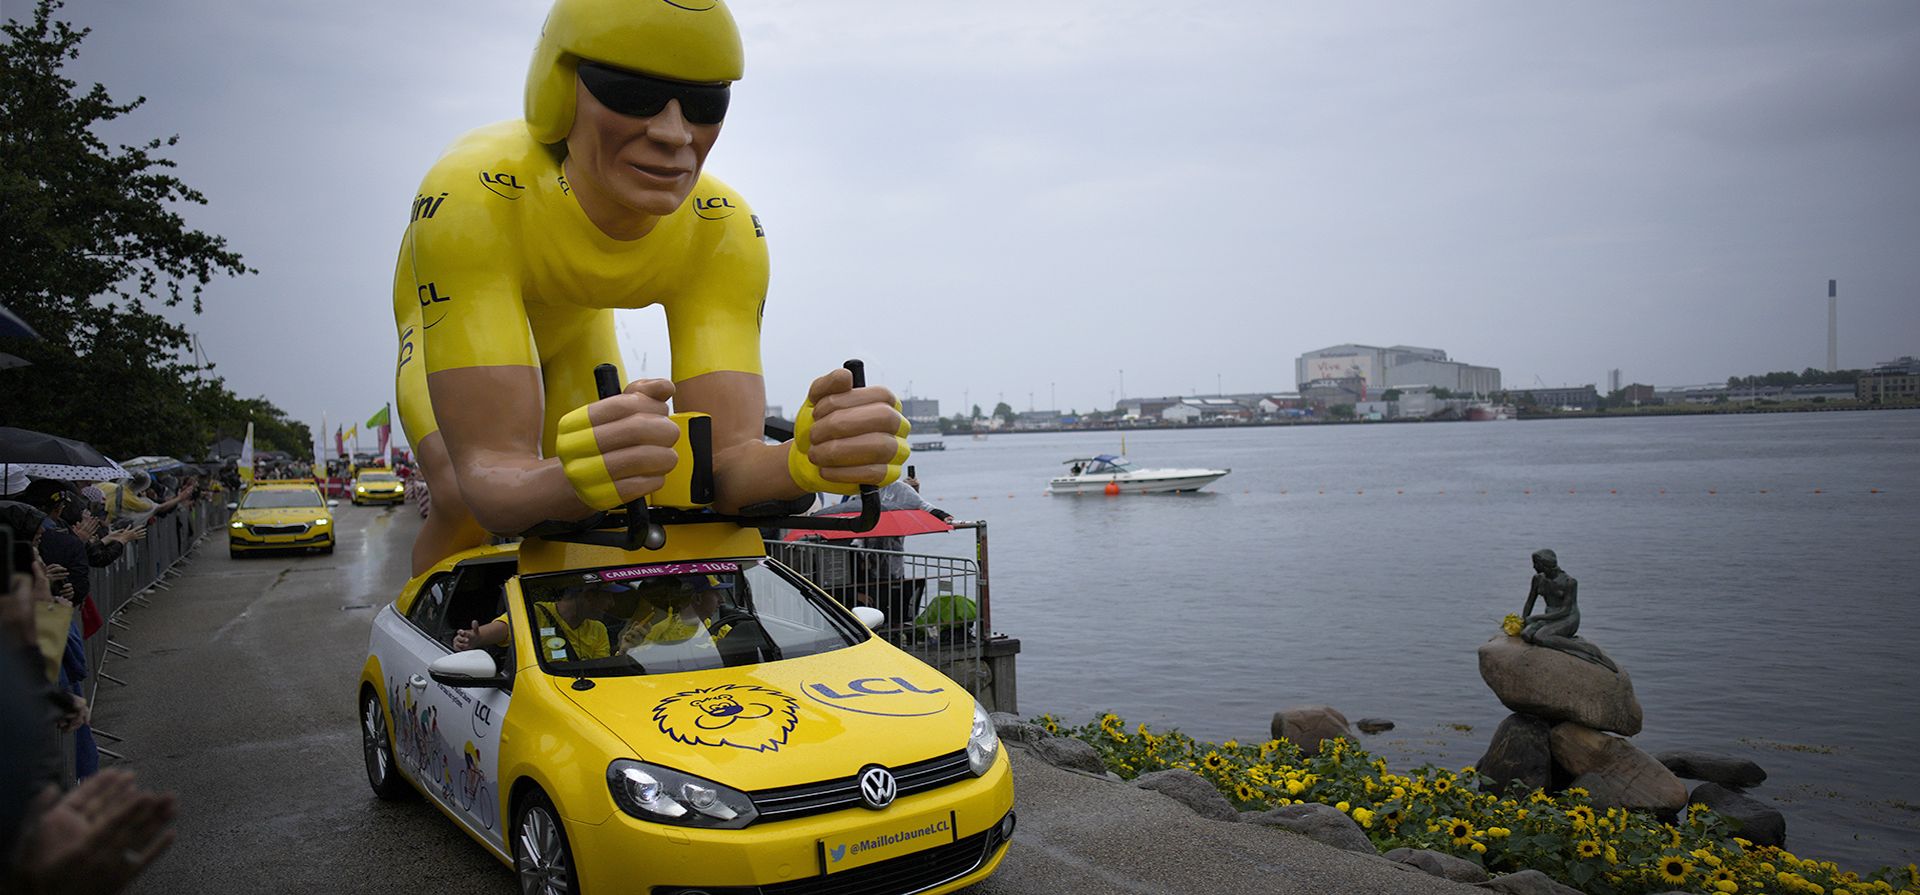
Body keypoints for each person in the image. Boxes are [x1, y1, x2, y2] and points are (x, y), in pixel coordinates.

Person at [393, 0, 911, 576]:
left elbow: (726, 470)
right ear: (556, 93)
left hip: (576, 331)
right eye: (629, 95)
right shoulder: (475, 198)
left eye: (704, 103)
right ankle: (431, 647)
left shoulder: (722, 230)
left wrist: (803, 461)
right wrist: (570, 479)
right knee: (461, 499)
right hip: (448, 324)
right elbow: (495, 479)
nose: (673, 134)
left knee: (621, 490)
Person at [452, 582, 613, 661]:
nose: (611, 604)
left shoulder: (598, 629)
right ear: (589, 596)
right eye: (609, 596)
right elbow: (499, 630)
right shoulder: (534, 614)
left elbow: (601, 670)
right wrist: (474, 638)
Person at [1519, 548, 1617, 672]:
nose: (1533, 566)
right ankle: (1561, 639)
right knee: (1526, 634)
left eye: (1536, 563)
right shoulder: (1537, 579)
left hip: (1568, 618)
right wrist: (1523, 620)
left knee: (1540, 637)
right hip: (1549, 617)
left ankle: (1586, 649)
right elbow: (1529, 602)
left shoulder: (1569, 582)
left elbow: (1565, 611)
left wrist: (1537, 618)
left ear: (1545, 564)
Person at [614, 575, 735, 653]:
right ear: (697, 598)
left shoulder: (717, 627)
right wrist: (626, 651)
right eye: (716, 593)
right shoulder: (659, 632)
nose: (722, 600)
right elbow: (637, 666)